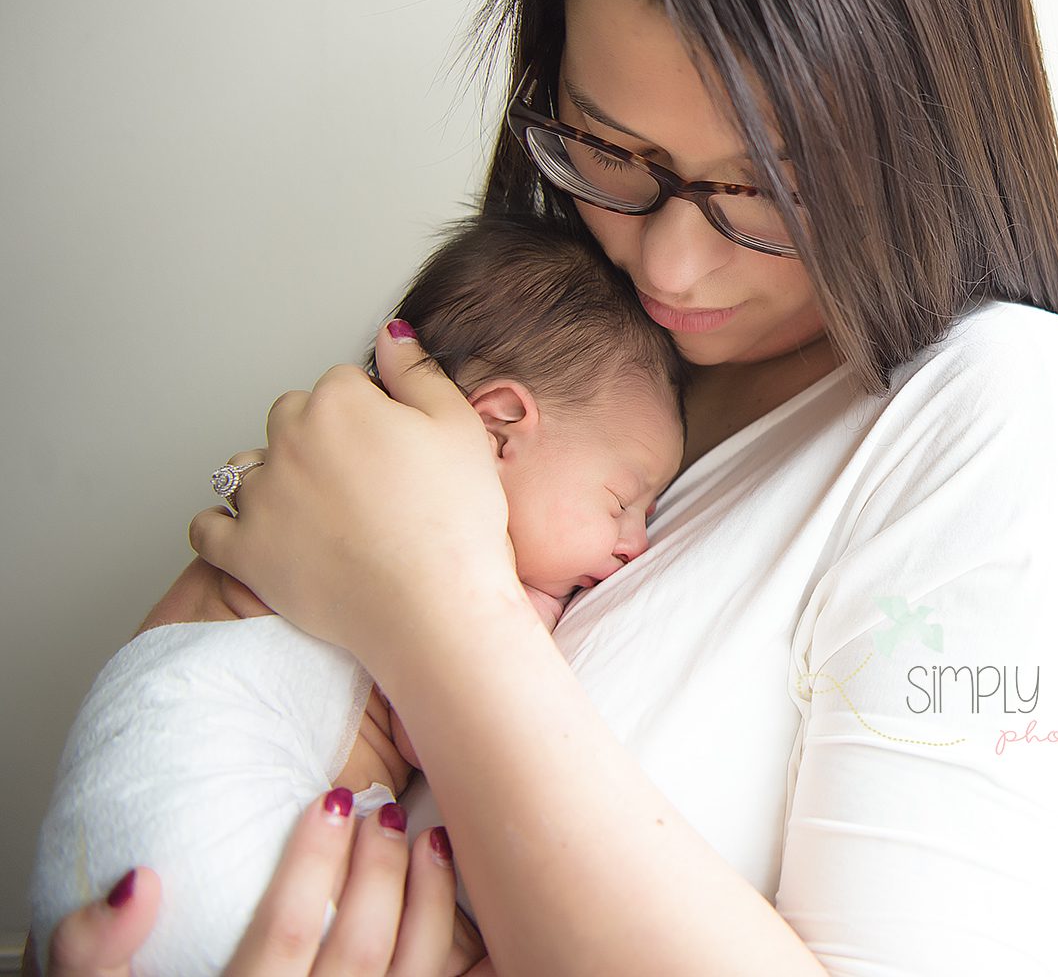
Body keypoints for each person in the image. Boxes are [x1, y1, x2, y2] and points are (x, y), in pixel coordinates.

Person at [39, 0, 1058, 973]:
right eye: (608, 149)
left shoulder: (995, 410)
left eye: (759, 190)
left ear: (918, 141)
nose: (667, 255)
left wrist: (435, 605)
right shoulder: (551, 350)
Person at [29, 215, 685, 975]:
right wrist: (533, 609)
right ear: (500, 426)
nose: (636, 542)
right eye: (621, 500)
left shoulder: (326, 489)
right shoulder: (425, 531)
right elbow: (436, 715)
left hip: (99, 851)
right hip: (194, 847)